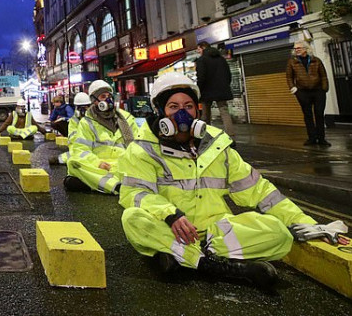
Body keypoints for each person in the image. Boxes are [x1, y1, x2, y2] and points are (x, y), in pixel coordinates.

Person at [119, 72, 344, 289]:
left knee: (279, 233)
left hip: (216, 232)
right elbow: (135, 193)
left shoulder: (217, 147)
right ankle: (214, 266)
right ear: (160, 112)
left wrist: (308, 223)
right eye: (174, 107)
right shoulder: (143, 150)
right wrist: (170, 214)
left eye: (188, 106)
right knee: (133, 219)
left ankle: (183, 257)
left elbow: (260, 191)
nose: (182, 114)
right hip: (171, 227)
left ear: (197, 110)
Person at [62, 80, 139, 195]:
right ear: (95, 101)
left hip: (123, 165)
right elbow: (80, 151)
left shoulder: (126, 119)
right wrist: (97, 163)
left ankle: (99, 184)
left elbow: (138, 145)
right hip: (100, 167)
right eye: (103, 96)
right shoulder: (87, 123)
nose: (108, 100)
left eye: (109, 96)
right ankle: (116, 186)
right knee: (73, 162)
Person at [286, 41, 331, 146]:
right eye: (295, 48)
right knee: (308, 115)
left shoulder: (316, 60)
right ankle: (312, 138)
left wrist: (324, 88)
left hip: (318, 91)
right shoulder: (292, 62)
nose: (296, 50)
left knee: (319, 114)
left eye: (299, 48)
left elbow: (323, 75)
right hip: (302, 92)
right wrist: (294, 89)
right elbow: (289, 77)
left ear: (306, 49)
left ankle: (321, 139)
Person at [195, 41, 234, 136]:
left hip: (206, 90)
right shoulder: (221, 59)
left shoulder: (202, 60)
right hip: (221, 89)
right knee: (224, 111)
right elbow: (228, 75)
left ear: (203, 47)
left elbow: (201, 77)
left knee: (205, 115)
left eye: (199, 49)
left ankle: (206, 135)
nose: (198, 51)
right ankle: (231, 136)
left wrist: (199, 89)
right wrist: (224, 85)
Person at [48, 92, 93, 168]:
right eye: (80, 107)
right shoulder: (74, 121)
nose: (83, 110)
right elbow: (73, 140)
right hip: (80, 149)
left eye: (85, 107)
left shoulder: (95, 119)